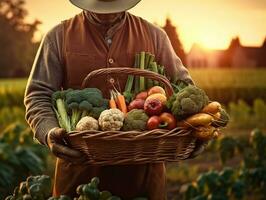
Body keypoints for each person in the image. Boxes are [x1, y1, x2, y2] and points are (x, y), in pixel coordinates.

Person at [24, 0, 206, 199]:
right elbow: (38, 95)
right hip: (79, 174)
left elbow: (183, 88)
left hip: (143, 175)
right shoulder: (58, 36)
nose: (108, 14)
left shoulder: (155, 36)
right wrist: (48, 131)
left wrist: (196, 130)